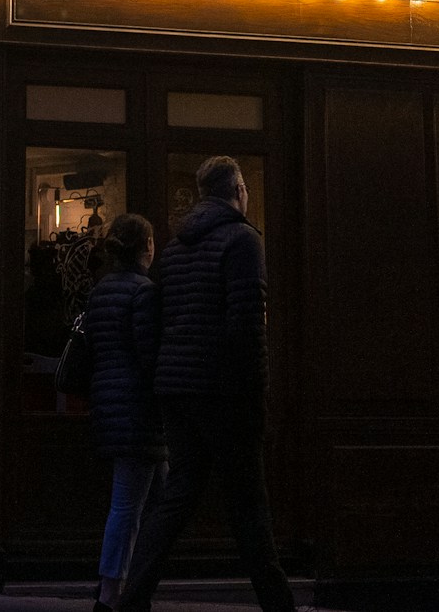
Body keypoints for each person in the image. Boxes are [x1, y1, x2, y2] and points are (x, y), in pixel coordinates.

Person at [116, 157, 294, 612]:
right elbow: (247, 324)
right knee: (250, 507)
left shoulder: (175, 249)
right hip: (225, 391)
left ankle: (132, 599)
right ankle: (278, 606)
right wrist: (257, 393)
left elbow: (164, 318)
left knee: (177, 498)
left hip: (177, 389)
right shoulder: (243, 240)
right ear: (238, 190)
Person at [84, 214, 165, 612]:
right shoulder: (144, 292)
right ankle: (111, 591)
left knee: (154, 501)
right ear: (146, 246)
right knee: (129, 506)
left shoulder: (100, 291)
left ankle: (133, 586)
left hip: (108, 406)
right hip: (137, 412)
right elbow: (150, 358)